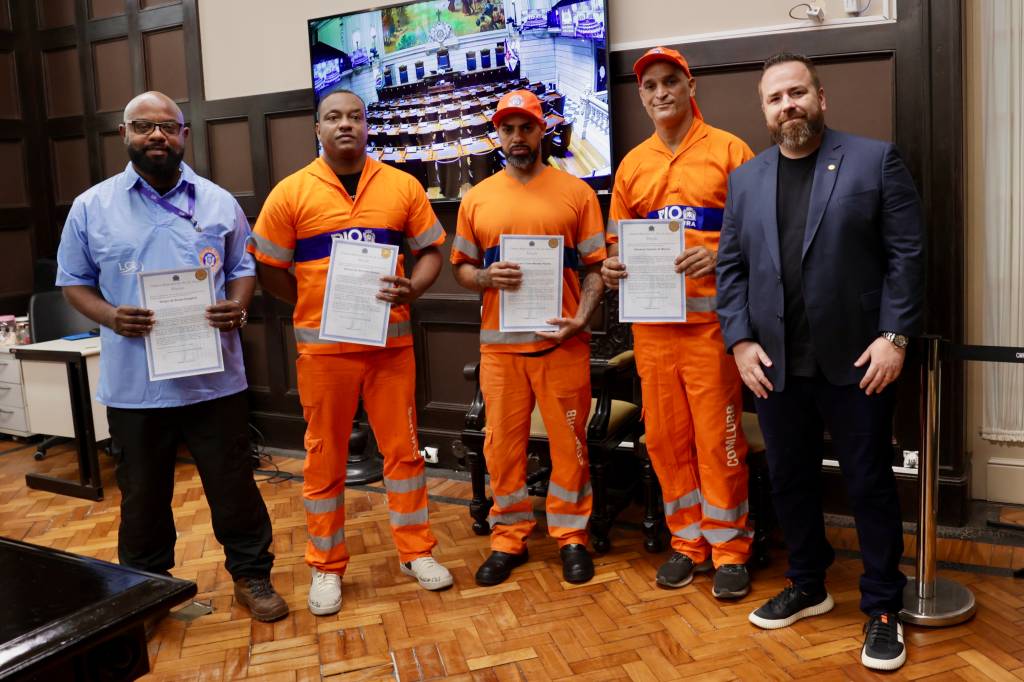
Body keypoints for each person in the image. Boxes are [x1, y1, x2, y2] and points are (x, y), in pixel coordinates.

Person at [716, 52, 925, 671]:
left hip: (860, 359)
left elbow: (907, 256)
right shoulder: (746, 180)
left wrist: (894, 336)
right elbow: (731, 269)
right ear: (764, 110)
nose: (788, 105)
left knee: (868, 483)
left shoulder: (874, 160)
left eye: (797, 93)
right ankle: (808, 583)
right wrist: (739, 341)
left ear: (820, 97)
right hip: (775, 364)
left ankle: (883, 606)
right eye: (775, 98)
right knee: (790, 479)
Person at [56, 91, 288, 622]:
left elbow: (243, 268)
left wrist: (238, 306)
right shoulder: (91, 207)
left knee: (234, 487)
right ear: (124, 135)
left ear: (184, 135)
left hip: (215, 382)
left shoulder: (218, 202)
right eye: (143, 126)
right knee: (142, 497)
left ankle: (252, 576)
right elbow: (73, 282)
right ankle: (147, 592)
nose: (156, 135)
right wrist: (111, 316)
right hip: (136, 386)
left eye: (167, 126)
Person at [249, 89, 453, 616]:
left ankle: (416, 552)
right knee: (324, 458)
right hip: (325, 356)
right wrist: (311, 303)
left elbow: (432, 250)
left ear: (367, 125)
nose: (346, 124)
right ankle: (326, 566)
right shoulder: (291, 192)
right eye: (334, 117)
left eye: (355, 117)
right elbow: (268, 267)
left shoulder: (402, 185)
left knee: (404, 454)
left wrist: (414, 288)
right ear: (317, 128)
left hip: (390, 350)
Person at [601, 47, 755, 599]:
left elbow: (760, 235)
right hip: (653, 330)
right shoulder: (632, 165)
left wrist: (719, 257)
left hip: (711, 330)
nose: (661, 92)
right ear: (642, 97)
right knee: (666, 441)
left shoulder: (731, 151)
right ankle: (688, 543)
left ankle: (730, 548)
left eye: (670, 81)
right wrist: (612, 267)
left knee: (718, 440)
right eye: (650, 86)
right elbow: (615, 244)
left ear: (691, 87)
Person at [451, 90, 605, 586]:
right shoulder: (477, 198)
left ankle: (572, 536)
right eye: (508, 129)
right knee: (502, 450)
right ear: (497, 135)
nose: (517, 137)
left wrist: (581, 318)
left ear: (542, 130)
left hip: (562, 343)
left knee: (569, 447)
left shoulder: (577, 193)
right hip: (500, 351)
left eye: (526, 127)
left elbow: (596, 268)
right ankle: (508, 537)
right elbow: (461, 268)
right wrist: (484, 277)